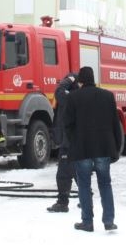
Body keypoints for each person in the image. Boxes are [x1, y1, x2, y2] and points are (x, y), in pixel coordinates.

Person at [64, 66, 122, 232]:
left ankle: (87, 222)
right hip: (103, 149)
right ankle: (109, 221)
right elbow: (114, 124)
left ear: (80, 81)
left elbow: (67, 125)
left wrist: (73, 142)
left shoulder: (73, 97)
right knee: (105, 184)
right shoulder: (107, 96)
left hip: (82, 150)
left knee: (83, 185)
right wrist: (116, 147)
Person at [47, 73, 78, 213]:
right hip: (76, 142)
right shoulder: (79, 96)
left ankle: (62, 202)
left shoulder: (69, 98)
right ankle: (86, 198)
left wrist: (66, 80)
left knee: (63, 174)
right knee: (78, 171)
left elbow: (59, 91)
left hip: (68, 143)